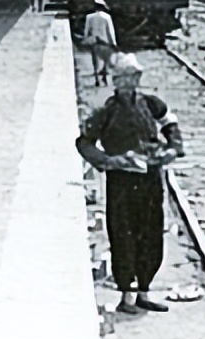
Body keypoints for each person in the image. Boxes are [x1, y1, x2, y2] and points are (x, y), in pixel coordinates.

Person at [75, 53, 184, 316]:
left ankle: (144, 290)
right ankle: (127, 294)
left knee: (151, 232)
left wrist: (174, 148)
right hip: (122, 182)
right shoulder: (106, 110)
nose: (130, 82)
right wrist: (108, 161)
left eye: (134, 77)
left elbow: (170, 122)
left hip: (150, 178)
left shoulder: (150, 103)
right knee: (123, 234)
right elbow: (84, 142)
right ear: (116, 80)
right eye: (125, 78)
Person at [83, 0, 117, 85]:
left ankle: (96, 78)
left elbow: (86, 31)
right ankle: (104, 76)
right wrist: (113, 43)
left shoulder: (89, 17)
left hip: (94, 41)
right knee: (106, 59)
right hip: (104, 41)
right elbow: (110, 31)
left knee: (95, 60)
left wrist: (85, 39)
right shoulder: (107, 17)